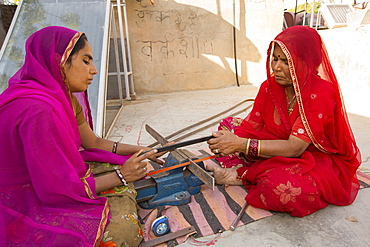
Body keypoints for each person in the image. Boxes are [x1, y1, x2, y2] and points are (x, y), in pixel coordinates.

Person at [0, 26, 167, 246]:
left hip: (46, 181)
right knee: (121, 231)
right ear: (59, 61)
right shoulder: (38, 111)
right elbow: (55, 190)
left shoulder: (63, 98)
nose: (94, 70)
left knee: (116, 170)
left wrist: (140, 150)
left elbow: (93, 142)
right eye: (86, 61)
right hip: (21, 196)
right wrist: (122, 176)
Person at [206, 26, 361, 217]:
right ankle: (249, 169)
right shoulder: (270, 87)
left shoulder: (321, 93)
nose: (277, 67)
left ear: (309, 63)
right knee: (228, 127)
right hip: (276, 142)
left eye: (287, 61)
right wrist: (229, 140)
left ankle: (240, 174)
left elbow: (295, 148)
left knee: (283, 189)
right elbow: (252, 125)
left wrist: (242, 145)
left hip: (312, 156)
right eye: (275, 59)